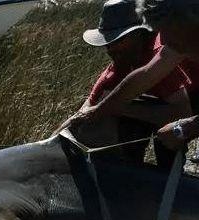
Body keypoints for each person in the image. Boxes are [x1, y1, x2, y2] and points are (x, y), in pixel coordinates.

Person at [64, 0, 199, 220]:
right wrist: (100, 110)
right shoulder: (176, 38)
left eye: (166, 33)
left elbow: (183, 112)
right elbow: (146, 74)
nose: (162, 42)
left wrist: (187, 126)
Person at [57, 0, 192, 168]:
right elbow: (85, 112)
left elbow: (183, 113)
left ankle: (173, 181)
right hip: (174, 112)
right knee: (113, 108)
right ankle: (129, 171)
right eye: (108, 43)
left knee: (169, 139)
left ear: (138, 35)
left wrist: (119, 108)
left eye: (117, 40)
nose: (110, 49)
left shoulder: (166, 51)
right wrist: (52, 140)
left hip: (191, 105)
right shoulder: (118, 68)